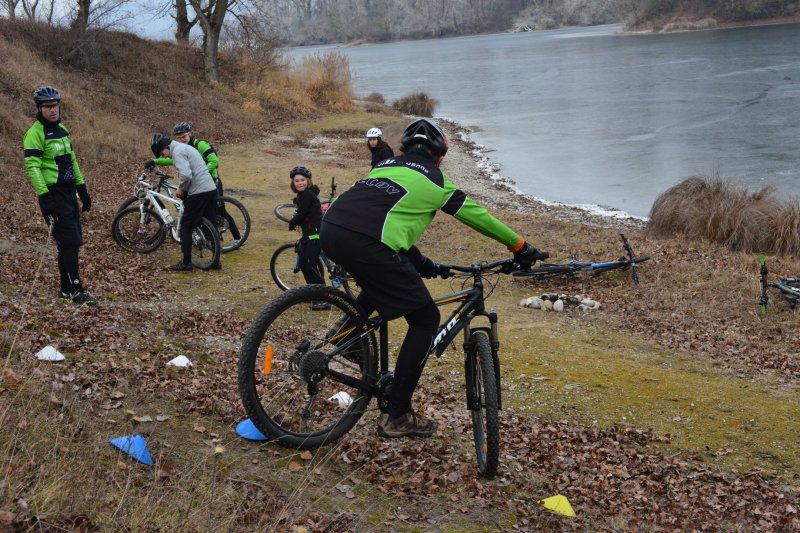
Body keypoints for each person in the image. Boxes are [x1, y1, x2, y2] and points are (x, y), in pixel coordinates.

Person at [321, 118, 544, 439]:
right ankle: (397, 415)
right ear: (440, 156)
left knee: (381, 277)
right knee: (426, 318)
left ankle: (344, 333)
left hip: (333, 229)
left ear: (406, 148)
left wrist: (422, 263)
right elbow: (478, 216)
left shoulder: (383, 167)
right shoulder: (437, 181)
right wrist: (520, 246)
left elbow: (386, 222)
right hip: (367, 240)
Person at [23, 85, 97, 306]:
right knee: (70, 243)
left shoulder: (62, 129)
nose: (52, 110)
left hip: (69, 192)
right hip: (53, 194)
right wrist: (45, 198)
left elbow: (71, 161)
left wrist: (82, 189)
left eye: (55, 106)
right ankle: (75, 290)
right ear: (39, 108)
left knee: (67, 244)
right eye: (47, 107)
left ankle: (66, 290)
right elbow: (32, 167)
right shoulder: (35, 133)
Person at [147, 122, 242, 245]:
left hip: (211, 181)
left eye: (184, 136)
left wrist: (201, 173)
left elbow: (214, 161)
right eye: (179, 138)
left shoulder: (200, 145)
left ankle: (237, 237)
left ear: (190, 134)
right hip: (197, 184)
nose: (182, 139)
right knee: (201, 212)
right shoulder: (181, 149)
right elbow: (172, 160)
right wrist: (155, 161)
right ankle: (207, 237)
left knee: (220, 211)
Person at [149, 133, 220, 271]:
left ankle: (186, 263)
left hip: (199, 190)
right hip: (210, 188)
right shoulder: (184, 147)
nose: (162, 156)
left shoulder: (178, 152)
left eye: (161, 153)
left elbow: (186, 175)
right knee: (209, 223)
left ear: (165, 147)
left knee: (186, 226)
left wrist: (182, 189)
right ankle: (216, 261)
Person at [287, 165, 329, 311]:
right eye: (297, 181)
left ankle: (324, 298)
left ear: (308, 181)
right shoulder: (305, 195)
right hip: (309, 234)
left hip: (315, 235)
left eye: (302, 180)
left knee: (309, 266)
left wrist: (292, 223)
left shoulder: (306, 195)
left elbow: (301, 214)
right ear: (293, 183)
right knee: (306, 265)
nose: (300, 183)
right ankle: (314, 295)